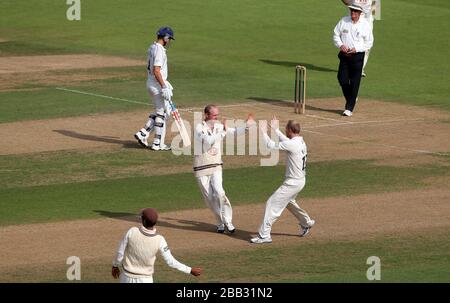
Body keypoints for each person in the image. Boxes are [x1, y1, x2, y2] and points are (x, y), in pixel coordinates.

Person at [251, 119, 315, 244]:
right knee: (289, 202)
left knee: (271, 203)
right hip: (300, 180)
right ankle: (306, 223)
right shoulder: (300, 141)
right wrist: (275, 130)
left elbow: (270, 145)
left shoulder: (292, 144)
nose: (285, 131)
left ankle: (264, 235)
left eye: (286, 129)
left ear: (290, 130)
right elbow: (286, 141)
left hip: (293, 182)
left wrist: (264, 132)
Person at [194, 104, 253, 234]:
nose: (217, 117)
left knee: (220, 192)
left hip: (216, 165)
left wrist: (247, 125)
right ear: (207, 115)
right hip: (201, 167)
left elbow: (235, 132)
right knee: (210, 198)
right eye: (214, 115)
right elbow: (209, 141)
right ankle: (220, 222)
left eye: (217, 115)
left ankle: (228, 221)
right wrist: (224, 132)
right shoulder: (199, 128)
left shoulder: (220, 127)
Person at [112, 208, 202, 283]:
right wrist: (190, 270)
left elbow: (120, 253)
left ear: (143, 220)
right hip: (145, 280)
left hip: (126, 277)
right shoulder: (160, 239)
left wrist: (115, 266)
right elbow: (170, 261)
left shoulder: (132, 231)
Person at [134, 26, 175, 151]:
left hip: (152, 83)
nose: (169, 42)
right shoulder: (159, 50)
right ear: (166, 38)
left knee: (162, 113)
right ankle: (157, 143)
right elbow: (156, 70)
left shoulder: (152, 47)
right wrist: (163, 86)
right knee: (162, 113)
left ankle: (144, 133)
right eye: (169, 39)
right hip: (156, 85)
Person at [333, 4, 373, 117]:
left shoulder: (365, 25)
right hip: (345, 56)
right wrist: (340, 45)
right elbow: (335, 35)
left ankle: (349, 108)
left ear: (360, 14)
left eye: (355, 13)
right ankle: (352, 98)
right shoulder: (344, 21)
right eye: (351, 12)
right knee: (342, 79)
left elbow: (369, 42)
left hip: (357, 56)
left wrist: (357, 49)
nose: (353, 14)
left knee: (355, 82)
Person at [341, 0, 375, 76]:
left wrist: (374, 15)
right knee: (352, 42)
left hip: (368, 18)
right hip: (354, 16)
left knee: (367, 44)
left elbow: (375, 2)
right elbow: (346, 2)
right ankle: (349, 66)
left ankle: (360, 69)